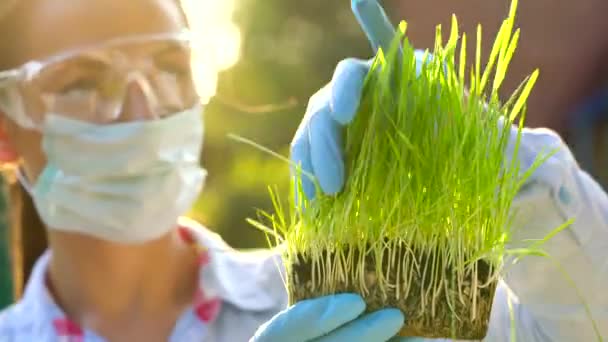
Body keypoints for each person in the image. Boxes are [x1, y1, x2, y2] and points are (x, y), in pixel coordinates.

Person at [0, 0, 605, 342]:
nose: (141, 108)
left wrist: (512, 179)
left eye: (168, 67)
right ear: (6, 136)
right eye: (81, 82)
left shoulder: (360, 300)